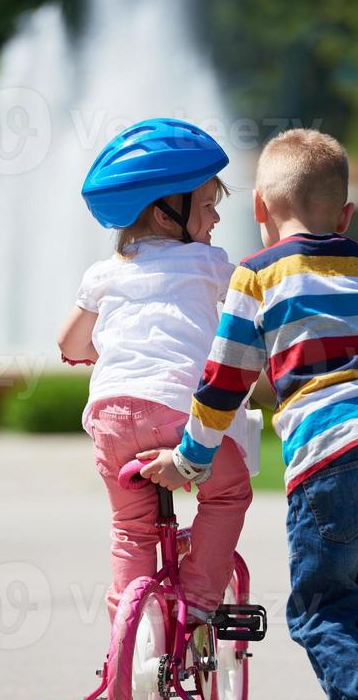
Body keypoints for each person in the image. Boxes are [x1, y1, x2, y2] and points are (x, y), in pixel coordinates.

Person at [139, 128, 358, 700]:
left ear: (260, 213)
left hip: (333, 453)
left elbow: (224, 383)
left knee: (320, 607)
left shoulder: (257, 273)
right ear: (347, 216)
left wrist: (189, 462)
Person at [58, 118, 260, 625]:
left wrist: (92, 354)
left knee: (131, 528)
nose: (215, 219)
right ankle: (195, 601)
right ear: (166, 213)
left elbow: (69, 343)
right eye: (209, 206)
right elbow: (253, 303)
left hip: (108, 416)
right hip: (175, 407)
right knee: (228, 491)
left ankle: (132, 642)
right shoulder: (209, 263)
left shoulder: (103, 272)